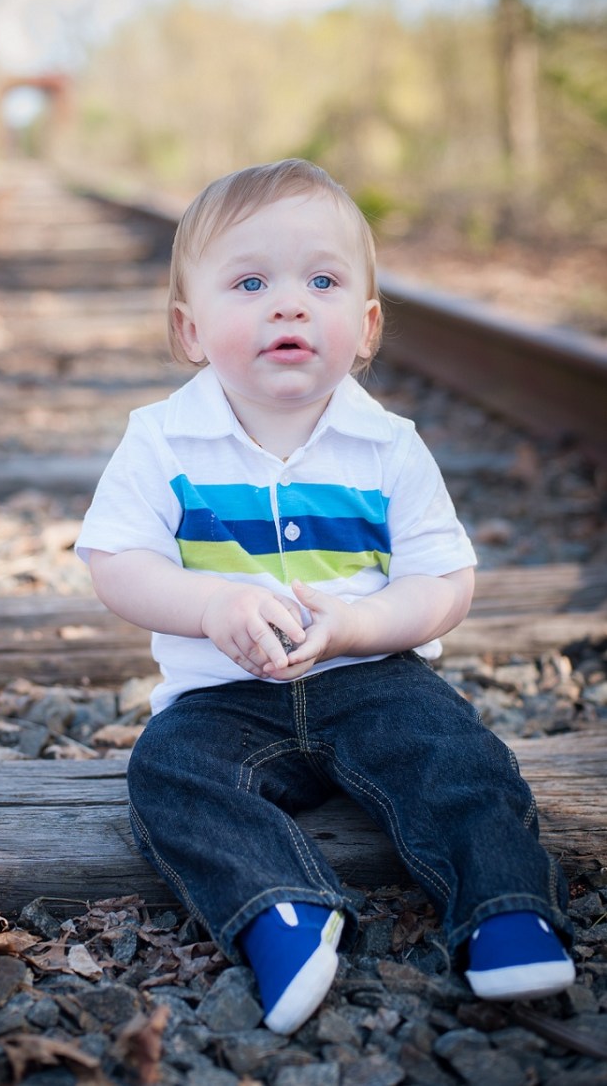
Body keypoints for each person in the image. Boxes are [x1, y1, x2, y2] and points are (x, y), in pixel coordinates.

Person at [76, 159, 575, 1034]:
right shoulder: (162, 440)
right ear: (190, 329)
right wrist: (208, 605)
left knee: (457, 757)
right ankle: (282, 912)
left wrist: (360, 625)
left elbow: (445, 580)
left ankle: (505, 909)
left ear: (367, 324)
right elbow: (116, 559)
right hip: (223, 696)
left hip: (371, 677)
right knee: (168, 772)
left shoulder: (387, 447)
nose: (289, 302)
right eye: (251, 281)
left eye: (321, 279)